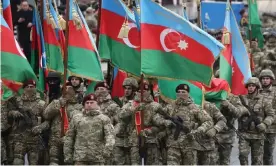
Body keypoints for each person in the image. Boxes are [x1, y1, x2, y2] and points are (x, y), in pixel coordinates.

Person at [119, 81, 171, 165]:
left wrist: (152, 130)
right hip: (134, 140)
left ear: (149, 92)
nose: (141, 93)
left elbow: (163, 124)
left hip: (151, 140)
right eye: (139, 91)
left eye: (144, 91)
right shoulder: (131, 104)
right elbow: (121, 116)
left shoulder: (155, 105)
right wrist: (134, 109)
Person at [165, 84, 213, 165]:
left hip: (189, 146)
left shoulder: (195, 107)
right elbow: (159, 116)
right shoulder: (170, 107)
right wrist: (165, 122)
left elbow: (208, 121)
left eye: (183, 92)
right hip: (173, 144)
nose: (181, 94)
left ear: (188, 93)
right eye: (178, 92)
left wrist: (197, 131)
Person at [63, 93, 115, 165]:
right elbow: (69, 137)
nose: (89, 104)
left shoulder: (104, 119)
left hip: (97, 158)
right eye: (87, 103)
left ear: (97, 104)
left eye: (92, 102)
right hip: (80, 157)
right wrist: (67, 154)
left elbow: (110, 136)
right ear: (84, 104)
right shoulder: (76, 118)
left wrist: (107, 151)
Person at [43, 82, 82, 165]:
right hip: (55, 140)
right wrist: (58, 104)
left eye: (70, 89)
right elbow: (46, 115)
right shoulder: (56, 102)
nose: (67, 91)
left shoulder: (79, 107)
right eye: (65, 89)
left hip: (71, 141)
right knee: (53, 162)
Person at [238, 77, 274, 165]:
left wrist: (265, 124)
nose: (250, 88)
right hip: (244, 134)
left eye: (253, 86)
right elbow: (236, 112)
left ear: (257, 87)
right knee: (242, 156)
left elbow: (271, 115)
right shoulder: (241, 99)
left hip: (258, 135)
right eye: (249, 86)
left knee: (257, 161)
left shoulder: (263, 100)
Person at [12, 80, 49, 165]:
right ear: (23, 88)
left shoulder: (41, 104)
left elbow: (47, 121)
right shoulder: (17, 101)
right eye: (27, 87)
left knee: (34, 162)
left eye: (31, 87)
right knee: (17, 162)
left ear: (35, 88)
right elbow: (8, 112)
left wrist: (40, 128)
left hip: (34, 139)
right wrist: (14, 113)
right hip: (19, 138)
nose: (29, 89)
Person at [114, 77, 138, 165]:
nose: (126, 91)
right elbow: (116, 117)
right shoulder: (118, 101)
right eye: (125, 88)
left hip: (133, 138)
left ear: (134, 90)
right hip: (120, 137)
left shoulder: (138, 102)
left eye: (129, 88)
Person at [259, 69, 276, 165]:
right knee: (257, 154)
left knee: (268, 154)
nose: (265, 80)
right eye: (263, 79)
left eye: (267, 78)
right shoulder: (257, 91)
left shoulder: (274, 92)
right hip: (257, 128)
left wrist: (268, 121)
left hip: (270, 129)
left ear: (271, 80)